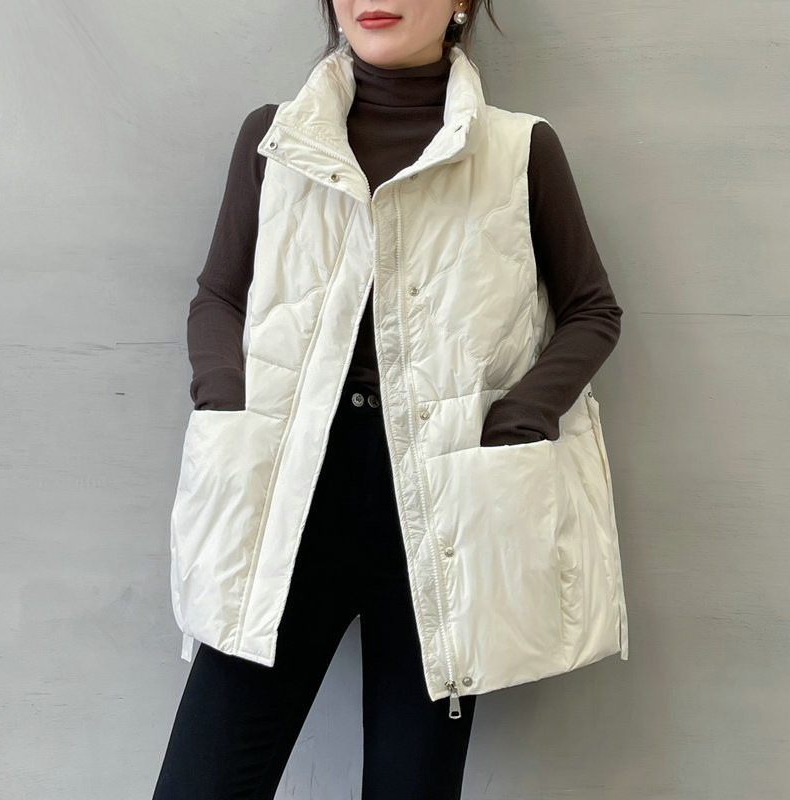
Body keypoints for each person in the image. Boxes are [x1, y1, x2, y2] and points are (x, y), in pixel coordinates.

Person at [153, 1, 629, 798]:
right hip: (286, 497)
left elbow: (592, 309)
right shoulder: (275, 138)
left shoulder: (518, 150)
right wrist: (226, 403)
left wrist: (519, 419)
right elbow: (218, 298)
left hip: (445, 510)